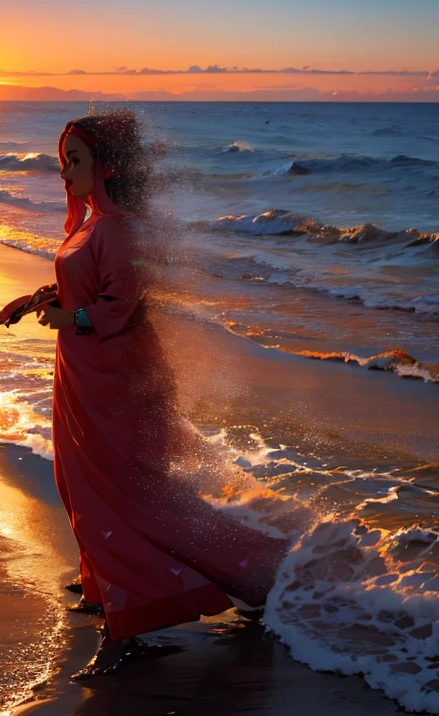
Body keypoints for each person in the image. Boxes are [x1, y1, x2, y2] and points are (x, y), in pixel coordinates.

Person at [36, 109, 288, 676]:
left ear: (106, 166)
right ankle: (106, 586)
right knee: (79, 481)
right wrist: (45, 300)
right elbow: (90, 286)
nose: (64, 172)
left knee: (121, 493)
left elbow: (119, 307)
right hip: (82, 372)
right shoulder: (90, 225)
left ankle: (236, 579)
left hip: (113, 376)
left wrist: (67, 317)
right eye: (62, 161)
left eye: (74, 160)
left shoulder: (117, 228)